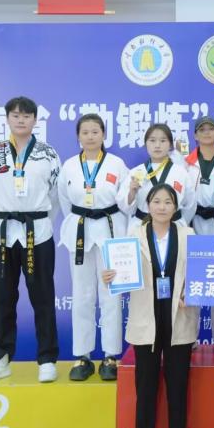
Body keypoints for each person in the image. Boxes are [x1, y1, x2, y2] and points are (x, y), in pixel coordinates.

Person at [104, 183, 198, 428]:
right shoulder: (133, 236)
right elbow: (122, 275)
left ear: (175, 207)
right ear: (147, 205)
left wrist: (190, 293)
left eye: (167, 202)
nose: (161, 207)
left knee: (178, 391)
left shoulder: (188, 235)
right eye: (156, 201)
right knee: (145, 391)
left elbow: (198, 273)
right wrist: (111, 276)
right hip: (146, 320)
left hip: (178, 318)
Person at [0, 96, 62, 384]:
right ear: (7, 119)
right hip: (2, 234)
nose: (21, 119)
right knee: (2, 298)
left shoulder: (48, 154)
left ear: (35, 119)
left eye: (26, 115)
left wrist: (40, 219)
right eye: (15, 115)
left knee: (43, 298)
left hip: (38, 233)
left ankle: (47, 359)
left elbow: (56, 195)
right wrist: (5, 214)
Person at [58, 113, 129, 382]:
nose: (90, 136)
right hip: (80, 231)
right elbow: (65, 201)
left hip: (111, 230)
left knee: (111, 293)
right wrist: (82, 217)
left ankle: (111, 355)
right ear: (78, 136)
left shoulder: (116, 164)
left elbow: (126, 200)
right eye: (85, 132)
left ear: (103, 135)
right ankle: (82, 355)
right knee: (82, 293)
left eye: (95, 131)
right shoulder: (69, 166)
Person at [185, 115, 214, 354]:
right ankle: (189, 335)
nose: (206, 133)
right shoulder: (185, 163)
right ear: (195, 135)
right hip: (192, 223)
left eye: (211, 129)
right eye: (201, 129)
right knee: (192, 280)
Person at [118, 123, 196, 234]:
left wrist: (175, 219)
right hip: (142, 228)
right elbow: (124, 205)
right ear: (146, 144)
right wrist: (132, 193)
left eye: (163, 141)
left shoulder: (181, 172)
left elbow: (190, 205)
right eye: (152, 140)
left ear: (170, 145)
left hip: (174, 227)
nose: (157, 145)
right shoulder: (136, 172)